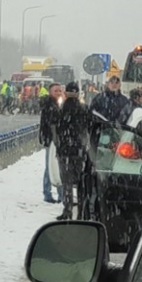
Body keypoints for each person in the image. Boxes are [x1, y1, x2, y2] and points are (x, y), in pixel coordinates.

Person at [55, 82, 91, 220]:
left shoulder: (61, 109)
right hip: (79, 151)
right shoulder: (84, 109)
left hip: (64, 151)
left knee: (67, 182)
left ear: (66, 93)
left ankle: (67, 209)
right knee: (81, 181)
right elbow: (90, 127)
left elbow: (55, 129)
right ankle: (81, 210)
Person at [39, 83, 64, 204]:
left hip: (55, 140)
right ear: (50, 92)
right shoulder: (49, 106)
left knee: (56, 166)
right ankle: (48, 193)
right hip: (51, 140)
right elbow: (53, 123)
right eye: (56, 91)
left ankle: (59, 194)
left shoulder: (56, 104)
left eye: (60, 91)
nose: (58, 93)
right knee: (52, 167)